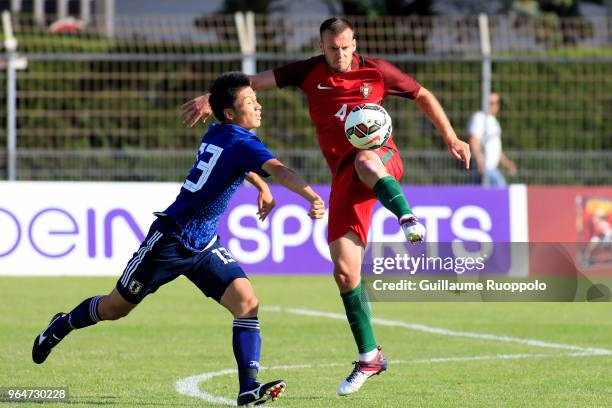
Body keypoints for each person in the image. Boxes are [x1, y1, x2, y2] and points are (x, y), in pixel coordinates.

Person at [181, 17, 471, 396]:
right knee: (345, 272)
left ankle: (406, 215)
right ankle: (370, 355)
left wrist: (451, 137)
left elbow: (422, 94)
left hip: (381, 160)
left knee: (367, 160)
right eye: (332, 48)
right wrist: (212, 98)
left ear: (355, 42)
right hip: (344, 179)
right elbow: (254, 83)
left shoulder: (377, 71)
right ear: (321, 47)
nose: (340, 54)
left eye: (346, 47)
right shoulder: (307, 72)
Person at [32, 72, 325, 407]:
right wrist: (312, 197)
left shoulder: (221, 132)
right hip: (169, 241)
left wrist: (261, 187)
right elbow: (283, 170)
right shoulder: (241, 142)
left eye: (256, 99)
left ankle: (248, 388)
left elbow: (240, 164)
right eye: (249, 102)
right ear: (230, 113)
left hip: (204, 245)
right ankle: (60, 326)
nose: (258, 106)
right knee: (115, 308)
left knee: (247, 303)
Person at [467, 92, 517, 186]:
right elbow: (473, 140)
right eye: (491, 102)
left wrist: (507, 164)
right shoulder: (480, 117)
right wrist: (479, 159)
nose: (495, 105)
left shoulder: (494, 122)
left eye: (496, 102)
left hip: (491, 168)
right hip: (484, 168)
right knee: (501, 190)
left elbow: (496, 149)